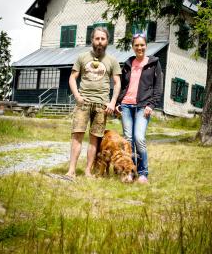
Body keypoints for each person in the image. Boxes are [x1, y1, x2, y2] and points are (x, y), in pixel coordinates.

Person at [66, 27, 121, 178]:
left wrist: (112, 102)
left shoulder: (112, 61)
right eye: (97, 38)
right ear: (92, 40)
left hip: (102, 106)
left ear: (107, 41)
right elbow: (72, 78)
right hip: (83, 103)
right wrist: (77, 96)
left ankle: (88, 171)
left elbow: (117, 83)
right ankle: (71, 170)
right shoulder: (82, 57)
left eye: (103, 39)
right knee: (77, 136)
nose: (100, 42)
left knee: (94, 139)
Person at [116, 33, 163, 184]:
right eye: (136, 45)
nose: (139, 47)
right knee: (128, 140)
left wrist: (152, 105)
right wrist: (118, 102)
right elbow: (123, 85)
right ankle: (129, 172)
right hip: (126, 105)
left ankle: (143, 173)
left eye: (142, 44)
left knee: (139, 138)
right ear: (133, 47)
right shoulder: (128, 63)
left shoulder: (154, 63)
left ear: (146, 46)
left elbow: (158, 87)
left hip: (143, 106)